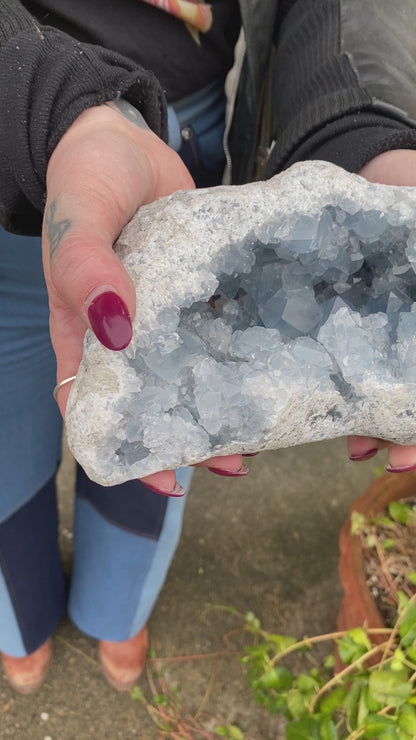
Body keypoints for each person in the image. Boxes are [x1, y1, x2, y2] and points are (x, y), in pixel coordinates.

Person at [1, 0, 416, 694]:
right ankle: (19, 621)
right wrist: (39, 97)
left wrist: (357, 129)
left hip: (161, 124)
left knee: (160, 436)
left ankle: (116, 610)